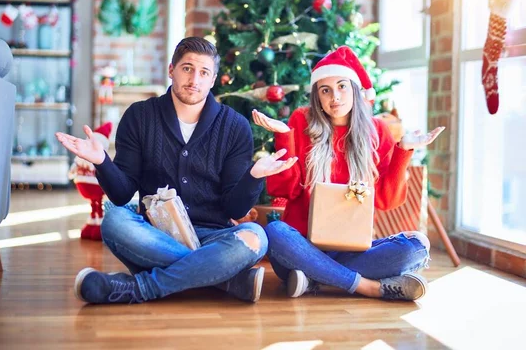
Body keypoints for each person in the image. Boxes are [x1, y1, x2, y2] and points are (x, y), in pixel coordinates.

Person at [56, 37, 297, 304]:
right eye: (187, 68)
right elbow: (122, 194)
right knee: (114, 221)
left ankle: (140, 288)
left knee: (255, 237)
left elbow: (234, 210)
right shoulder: (139, 116)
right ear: (171, 69)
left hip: (214, 234)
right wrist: (101, 160)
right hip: (157, 233)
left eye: (204, 72)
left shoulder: (235, 127)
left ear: (213, 79)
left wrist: (254, 177)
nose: (195, 79)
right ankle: (225, 279)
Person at [252, 46, 444, 301]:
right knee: (275, 232)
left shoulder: (377, 130)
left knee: (417, 247)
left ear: (355, 89)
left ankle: (314, 278)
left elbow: (388, 201)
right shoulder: (302, 121)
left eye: (342, 86)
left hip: (352, 249)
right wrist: (284, 139)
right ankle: (367, 286)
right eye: (325, 90)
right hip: (303, 244)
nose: (335, 97)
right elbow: (285, 190)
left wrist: (403, 150)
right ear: (317, 96)